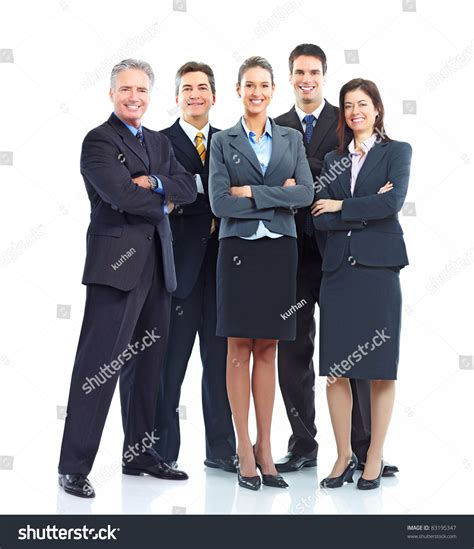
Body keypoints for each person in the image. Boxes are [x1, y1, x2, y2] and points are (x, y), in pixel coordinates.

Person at [58, 59, 197, 498]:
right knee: (98, 367)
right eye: (125, 90)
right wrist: (165, 201)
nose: (133, 97)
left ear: (150, 94)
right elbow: (118, 194)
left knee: (147, 368)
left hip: (158, 267)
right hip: (115, 269)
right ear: (112, 94)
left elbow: (189, 188)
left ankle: (139, 454)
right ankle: (74, 466)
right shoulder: (98, 140)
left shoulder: (158, 142)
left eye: (140, 90)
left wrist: (154, 182)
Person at [275, 44, 398, 478]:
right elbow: (280, 179)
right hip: (293, 255)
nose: (306, 79)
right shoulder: (277, 125)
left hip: (347, 258)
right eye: (298, 72)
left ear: (323, 75)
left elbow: (316, 180)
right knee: (292, 355)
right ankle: (303, 444)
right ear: (290, 77)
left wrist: (307, 182)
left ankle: (366, 450)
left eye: (314, 72)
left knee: (358, 354)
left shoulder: (344, 118)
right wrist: (309, 185)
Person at [209, 56, 314, 490]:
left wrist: (251, 191)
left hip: (278, 253)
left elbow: (305, 193)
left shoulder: (290, 138)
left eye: (264, 85)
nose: (257, 92)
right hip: (236, 252)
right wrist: (278, 196)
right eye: (249, 84)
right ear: (238, 90)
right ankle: (243, 450)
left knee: (268, 350)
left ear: (274, 91)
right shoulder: (223, 141)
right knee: (238, 349)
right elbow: (219, 203)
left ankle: (266, 447)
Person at [313, 78, 412, 490]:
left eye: (363, 104)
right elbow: (318, 215)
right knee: (337, 370)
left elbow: (393, 204)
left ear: (377, 109)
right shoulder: (331, 160)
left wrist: (343, 205)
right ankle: (342, 455)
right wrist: (359, 208)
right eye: (348, 105)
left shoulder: (397, 152)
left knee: (379, 369)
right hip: (338, 273)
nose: (356, 111)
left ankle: (374, 455)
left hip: (379, 271)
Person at [154, 62, 236, 472]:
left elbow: (218, 197)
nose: (195, 95)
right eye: (187, 88)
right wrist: (215, 196)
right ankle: (160, 454)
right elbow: (165, 198)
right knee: (170, 365)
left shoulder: (229, 140)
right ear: (176, 97)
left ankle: (221, 451)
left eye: (202, 88)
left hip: (224, 271)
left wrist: (191, 193)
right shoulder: (158, 142)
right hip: (179, 271)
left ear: (215, 96)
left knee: (220, 365)